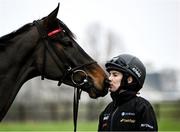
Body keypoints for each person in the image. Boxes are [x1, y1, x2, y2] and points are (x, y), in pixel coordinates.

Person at [98, 54, 158, 131]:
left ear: (129, 79)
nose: (109, 78)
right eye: (110, 74)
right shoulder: (107, 110)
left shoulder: (142, 107)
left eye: (115, 75)